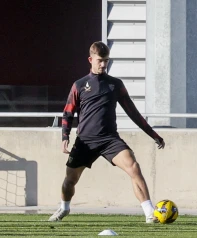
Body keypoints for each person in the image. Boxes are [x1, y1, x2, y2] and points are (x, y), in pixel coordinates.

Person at [48, 41, 165, 223]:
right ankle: (64, 208)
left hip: (110, 140)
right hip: (85, 141)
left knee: (133, 167)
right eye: (100, 60)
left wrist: (153, 135)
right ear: (91, 59)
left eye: (107, 61)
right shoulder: (79, 85)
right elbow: (68, 112)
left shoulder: (115, 85)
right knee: (69, 180)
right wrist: (65, 137)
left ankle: (150, 213)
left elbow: (133, 112)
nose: (104, 64)